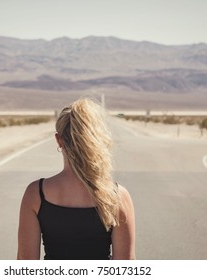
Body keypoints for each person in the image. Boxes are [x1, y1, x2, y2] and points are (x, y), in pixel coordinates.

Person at [17, 98, 135, 260]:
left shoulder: (36, 194)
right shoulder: (118, 196)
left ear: (59, 140)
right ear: (98, 140)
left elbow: (26, 265)